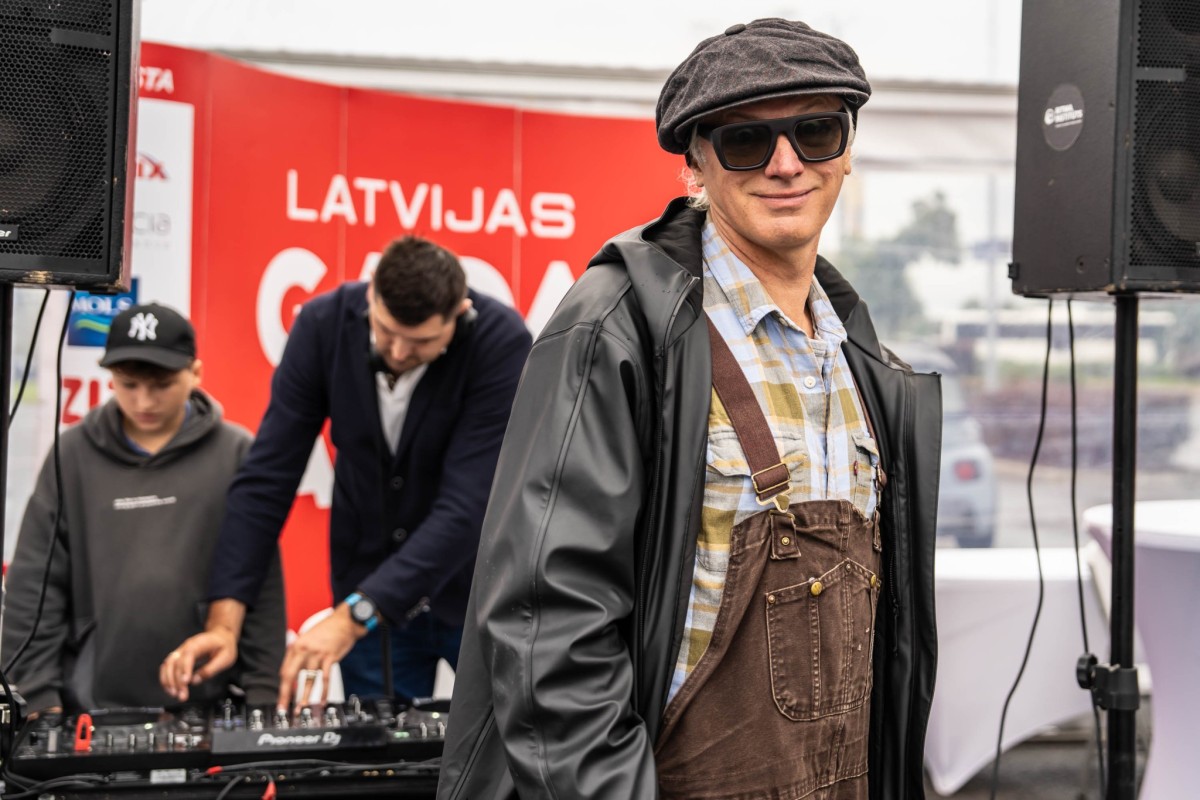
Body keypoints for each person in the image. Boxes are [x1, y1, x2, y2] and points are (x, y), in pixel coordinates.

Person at [438, 18, 941, 800]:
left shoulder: (861, 361)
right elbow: (548, 624)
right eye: (745, 141)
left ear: (847, 150)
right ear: (696, 166)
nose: (785, 164)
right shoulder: (618, 329)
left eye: (815, 132)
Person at [160, 234, 532, 709]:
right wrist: (224, 623)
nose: (398, 352)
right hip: (368, 584)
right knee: (379, 749)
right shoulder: (323, 326)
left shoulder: (501, 342)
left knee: (500, 741)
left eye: (421, 342)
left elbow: (468, 506)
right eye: (386, 331)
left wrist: (355, 615)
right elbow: (267, 480)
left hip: (475, 592)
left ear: (460, 314)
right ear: (370, 292)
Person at [2, 303, 286, 715]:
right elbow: (35, 587)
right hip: (89, 711)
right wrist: (37, 698)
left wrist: (263, 697)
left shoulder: (236, 453)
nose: (143, 400)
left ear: (195, 373)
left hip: (209, 705)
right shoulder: (72, 454)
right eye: (128, 384)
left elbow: (259, 580)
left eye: (161, 384)